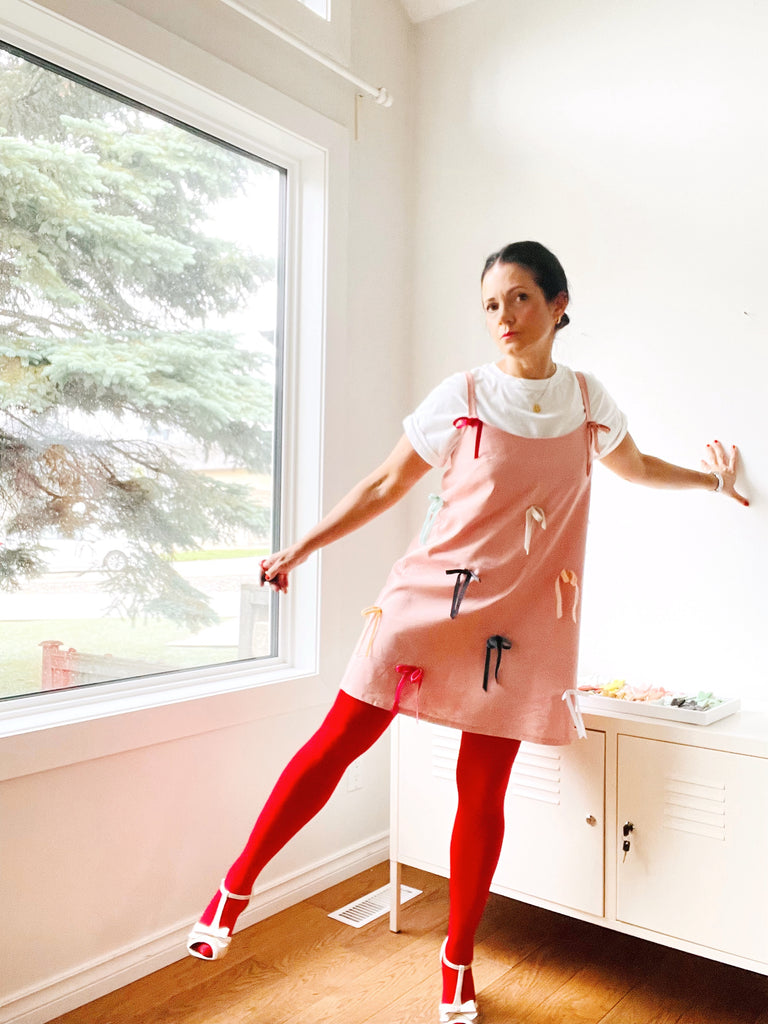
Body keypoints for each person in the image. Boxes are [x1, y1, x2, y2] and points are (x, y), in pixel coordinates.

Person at [187, 241, 748, 1023]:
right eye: (490, 304)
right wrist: (302, 547)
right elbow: (386, 483)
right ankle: (233, 887)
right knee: (335, 742)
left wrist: (714, 481)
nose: (504, 317)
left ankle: (457, 960)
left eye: (519, 298)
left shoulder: (588, 400)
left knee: (480, 791)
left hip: (522, 626)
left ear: (558, 305)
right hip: (428, 607)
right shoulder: (462, 395)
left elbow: (641, 467)